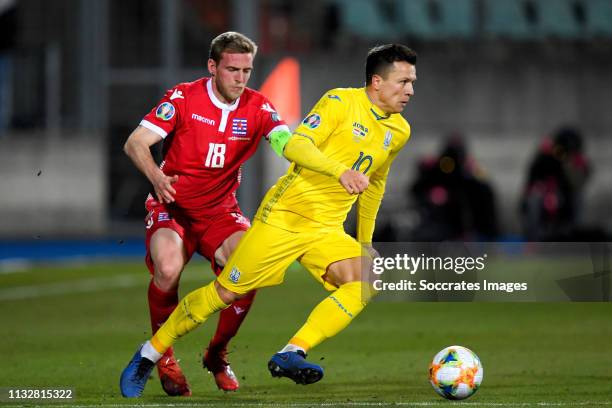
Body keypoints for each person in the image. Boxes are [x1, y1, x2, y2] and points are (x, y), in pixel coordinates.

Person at [120, 43, 417, 397]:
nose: (410, 90)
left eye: (412, 82)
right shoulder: (339, 103)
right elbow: (296, 147)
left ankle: (292, 352)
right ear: (376, 82)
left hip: (325, 229)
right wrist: (339, 171)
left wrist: (366, 243)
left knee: (365, 281)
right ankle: (148, 354)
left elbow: (375, 185)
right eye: (403, 82)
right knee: (225, 292)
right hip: (285, 218)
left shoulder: (399, 130)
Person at [122, 31, 291, 396]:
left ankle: (216, 354)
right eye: (232, 69)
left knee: (249, 270)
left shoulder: (259, 108)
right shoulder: (183, 98)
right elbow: (135, 142)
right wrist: (156, 176)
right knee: (167, 268)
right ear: (213, 66)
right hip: (174, 209)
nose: (240, 78)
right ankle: (162, 355)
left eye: (247, 70)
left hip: (220, 213)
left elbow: (286, 142)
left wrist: (317, 160)